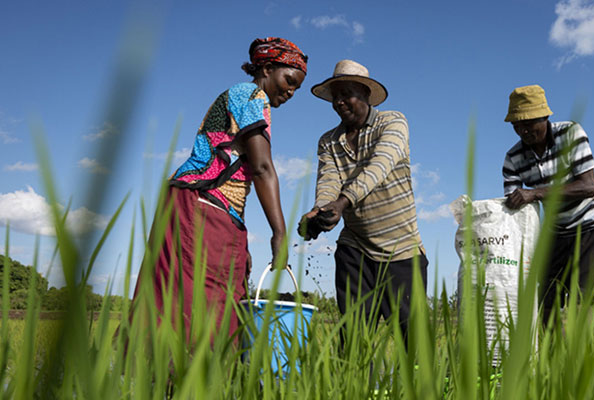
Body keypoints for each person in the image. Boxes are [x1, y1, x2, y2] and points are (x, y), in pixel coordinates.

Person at [132, 37, 307, 343]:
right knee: (199, 303)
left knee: (223, 294)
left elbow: (237, 178)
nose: (291, 91)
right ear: (266, 69)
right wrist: (279, 233)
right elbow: (262, 168)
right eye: (289, 80)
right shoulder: (250, 94)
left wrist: (240, 234)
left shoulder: (247, 99)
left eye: (297, 87)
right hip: (200, 201)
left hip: (209, 204)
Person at [298, 60, 427, 346]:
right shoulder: (329, 141)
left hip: (401, 249)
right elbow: (329, 181)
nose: (340, 102)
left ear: (367, 95)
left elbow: (378, 168)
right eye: (335, 96)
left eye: (348, 94)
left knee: (413, 342)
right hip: (355, 247)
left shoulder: (392, 122)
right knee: (354, 338)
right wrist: (320, 212)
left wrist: (342, 203)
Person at [501, 85, 594, 325]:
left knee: (581, 295)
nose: (524, 131)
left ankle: (579, 353)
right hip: (556, 230)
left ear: (545, 117)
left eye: (529, 124)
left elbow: (586, 186)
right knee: (545, 295)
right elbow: (513, 206)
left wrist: (536, 193)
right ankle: (549, 354)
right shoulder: (513, 158)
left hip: (591, 223)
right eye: (517, 126)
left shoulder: (571, 133)